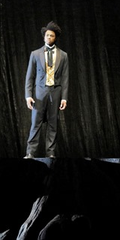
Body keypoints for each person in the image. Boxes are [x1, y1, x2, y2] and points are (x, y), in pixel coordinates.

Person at [24, 21, 69, 159]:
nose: (48, 38)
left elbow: (65, 78)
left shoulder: (63, 55)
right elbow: (29, 76)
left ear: (55, 38)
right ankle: (30, 152)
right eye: (47, 35)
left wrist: (64, 97)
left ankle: (50, 153)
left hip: (55, 92)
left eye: (51, 36)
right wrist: (28, 95)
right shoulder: (35, 54)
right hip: (39, 93)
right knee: (35, 123)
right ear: (44, 37)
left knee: (53, 124)